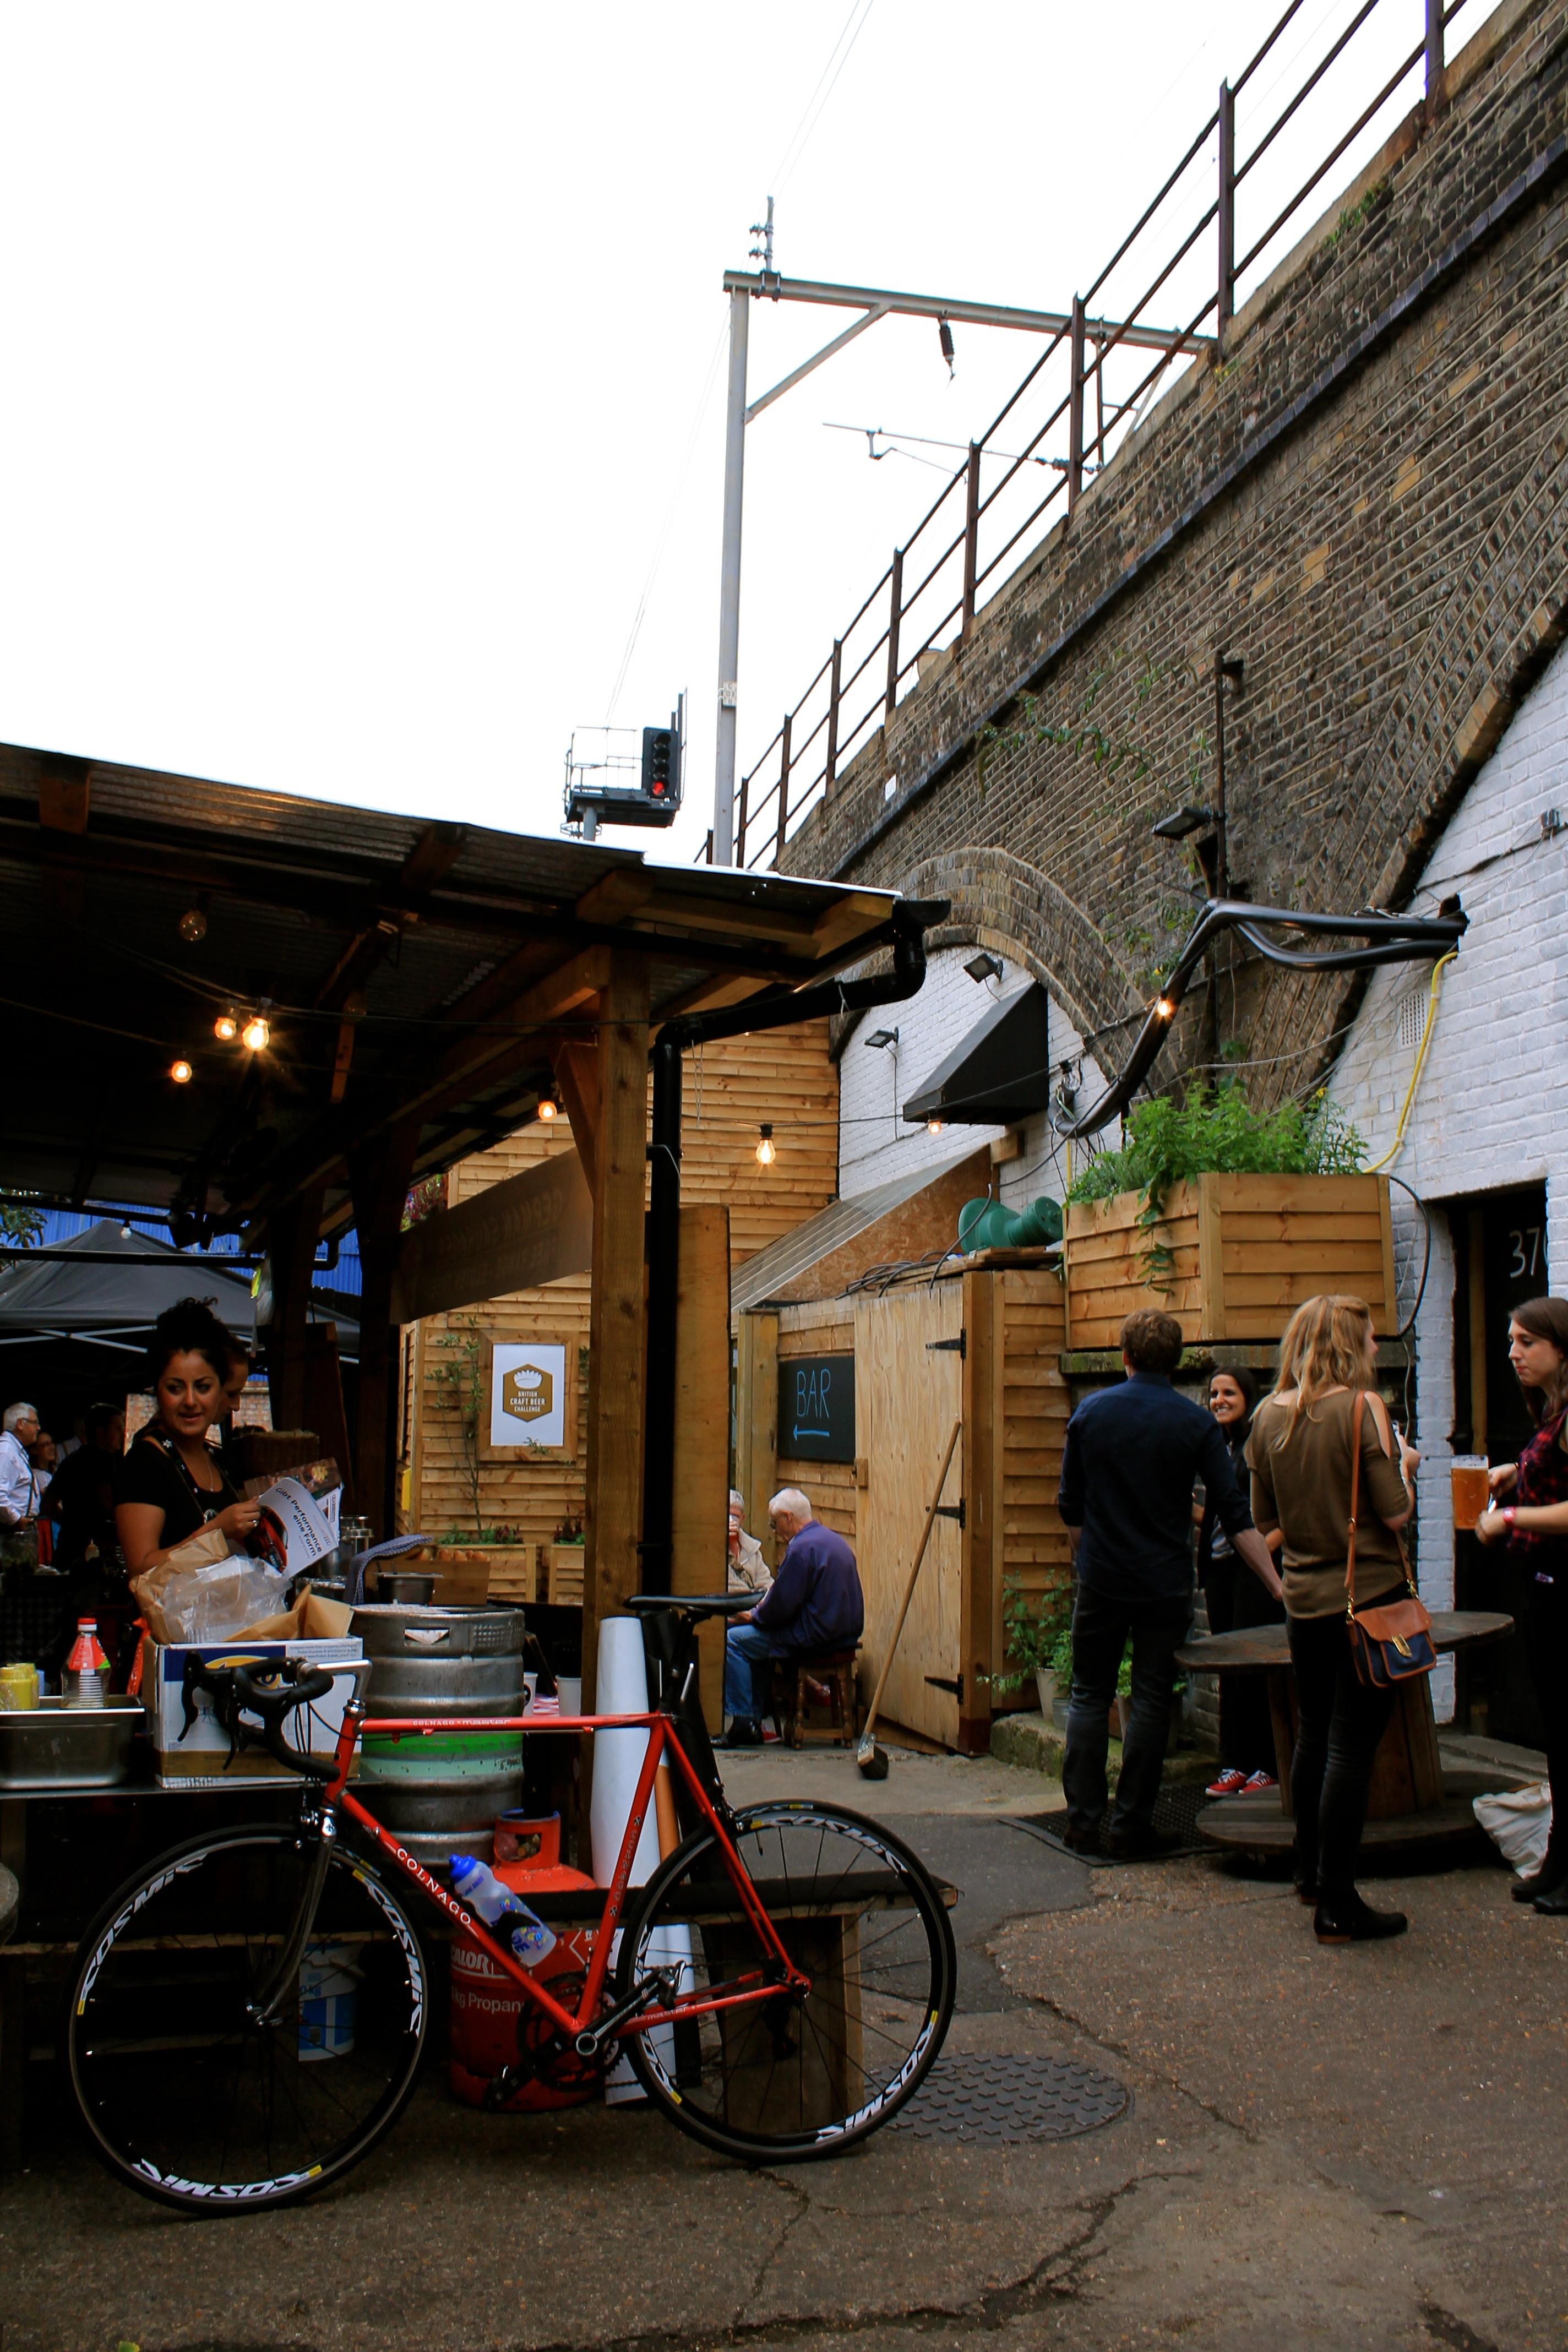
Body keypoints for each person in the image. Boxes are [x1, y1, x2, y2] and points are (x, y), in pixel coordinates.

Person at [1058, 1310, 1281, 1858]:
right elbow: (1233, 1513)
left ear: (1124, 1355)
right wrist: (1277, 1585)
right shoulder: (1194, 1423)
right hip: (1163, 1582)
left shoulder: (1090, 1414)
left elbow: (1070, 1506)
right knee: (1154, 1699)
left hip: (1103, 1577)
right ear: (1177, 1360)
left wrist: (1084, 1560)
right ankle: (1132, 1825)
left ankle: (1084, 1822)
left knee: (1089, 1694)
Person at [1246, 1293, 1419, 1945]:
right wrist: (1402, 1463)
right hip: (1367, 1600)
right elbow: (1395, 1513)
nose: (1378, 1349)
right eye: (1370, 1338)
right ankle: (1339, 1904)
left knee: (1313, 1734)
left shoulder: (1267, 1416)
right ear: (1348, 1345)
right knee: (1352, 1747)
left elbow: (1267, 1522)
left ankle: (1310, 1873)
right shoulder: (1361, 1408)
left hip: (1304, 1603)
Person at [1473, 1295, 1568, 1914]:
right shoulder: (1552, 1412)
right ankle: (1558, 1863)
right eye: (1510, 1342)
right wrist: (1517, 1469)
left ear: (1561, 1347)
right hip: (1543, 1586)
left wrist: (1509, 1515)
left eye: (1526, 1342)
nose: (1512, 1354)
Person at [114, 1299, 264, 1578]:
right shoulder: (144, 1464)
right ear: (157, 1390)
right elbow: (141, 1569)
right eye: (175, 1388)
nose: (191, 1402)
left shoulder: (215, 1459)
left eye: (203, 1387)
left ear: (220, 1388)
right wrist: (215, 1532)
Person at [1195, 1366, 1286, 1797]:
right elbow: (1219, 1521)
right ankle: (1234, 1764)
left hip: (1253, 1571)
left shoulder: (1261, 1445)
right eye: (1214, 1393)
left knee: (1253, 1670)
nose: (1219, 1400)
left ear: (1249, 1398)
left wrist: (1265, 1549)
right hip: (1220, 1570)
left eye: (1228, 1393)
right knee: (1228, 1671)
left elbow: (1287, 1509)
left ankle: (1268, 1765)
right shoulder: (1220, 1447)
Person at [720, 1487, 864, 1750]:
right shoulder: (835, 1540)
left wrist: (752, 1617)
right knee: (756, 1643)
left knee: (734, 1641)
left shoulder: (801, 1548)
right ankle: (753, 1720)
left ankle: (742, 1722)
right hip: (844, 1635)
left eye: (776, 1525)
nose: (776, 1533)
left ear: (788, 1518)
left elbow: (781, 1607)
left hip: (816, 1638)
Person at [41, 1402, 126, 1576]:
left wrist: (73, 1524)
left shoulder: (70, 1460)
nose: (123, 1435)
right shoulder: (104, 1461)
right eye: (118, 1429)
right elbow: (108, 1505)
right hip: (95, 1558)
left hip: (67, 1552)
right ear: (100, 1431)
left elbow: (47, 1505)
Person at [0, 1401, 41, 1527]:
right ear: (20, 1424)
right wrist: (17, 1519)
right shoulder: (6, 1451)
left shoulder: (14, 1449)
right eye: (35, 1423)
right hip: (12, 1529)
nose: (38, 1428)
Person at [726, 1489, 771, 1596]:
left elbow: (766, 1583)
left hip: (753, 1608)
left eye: (736, 1516)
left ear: (742, 1519)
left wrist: (759, 1609)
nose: (731, 1520)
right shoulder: (710, 1549)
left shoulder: (752, 1549)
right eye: (727, 1515)